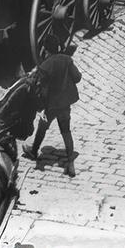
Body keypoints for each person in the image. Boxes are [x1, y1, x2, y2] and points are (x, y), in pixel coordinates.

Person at [23, 46, 81, 177]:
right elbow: (77, 78)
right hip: (65, 104)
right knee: (66, 131)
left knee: (42, 127)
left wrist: (41, 107)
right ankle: (70, 162)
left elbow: (40, 87)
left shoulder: (45, 65)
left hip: (51, 106)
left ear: (47, 50)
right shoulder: (67, 60)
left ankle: (33, 150)